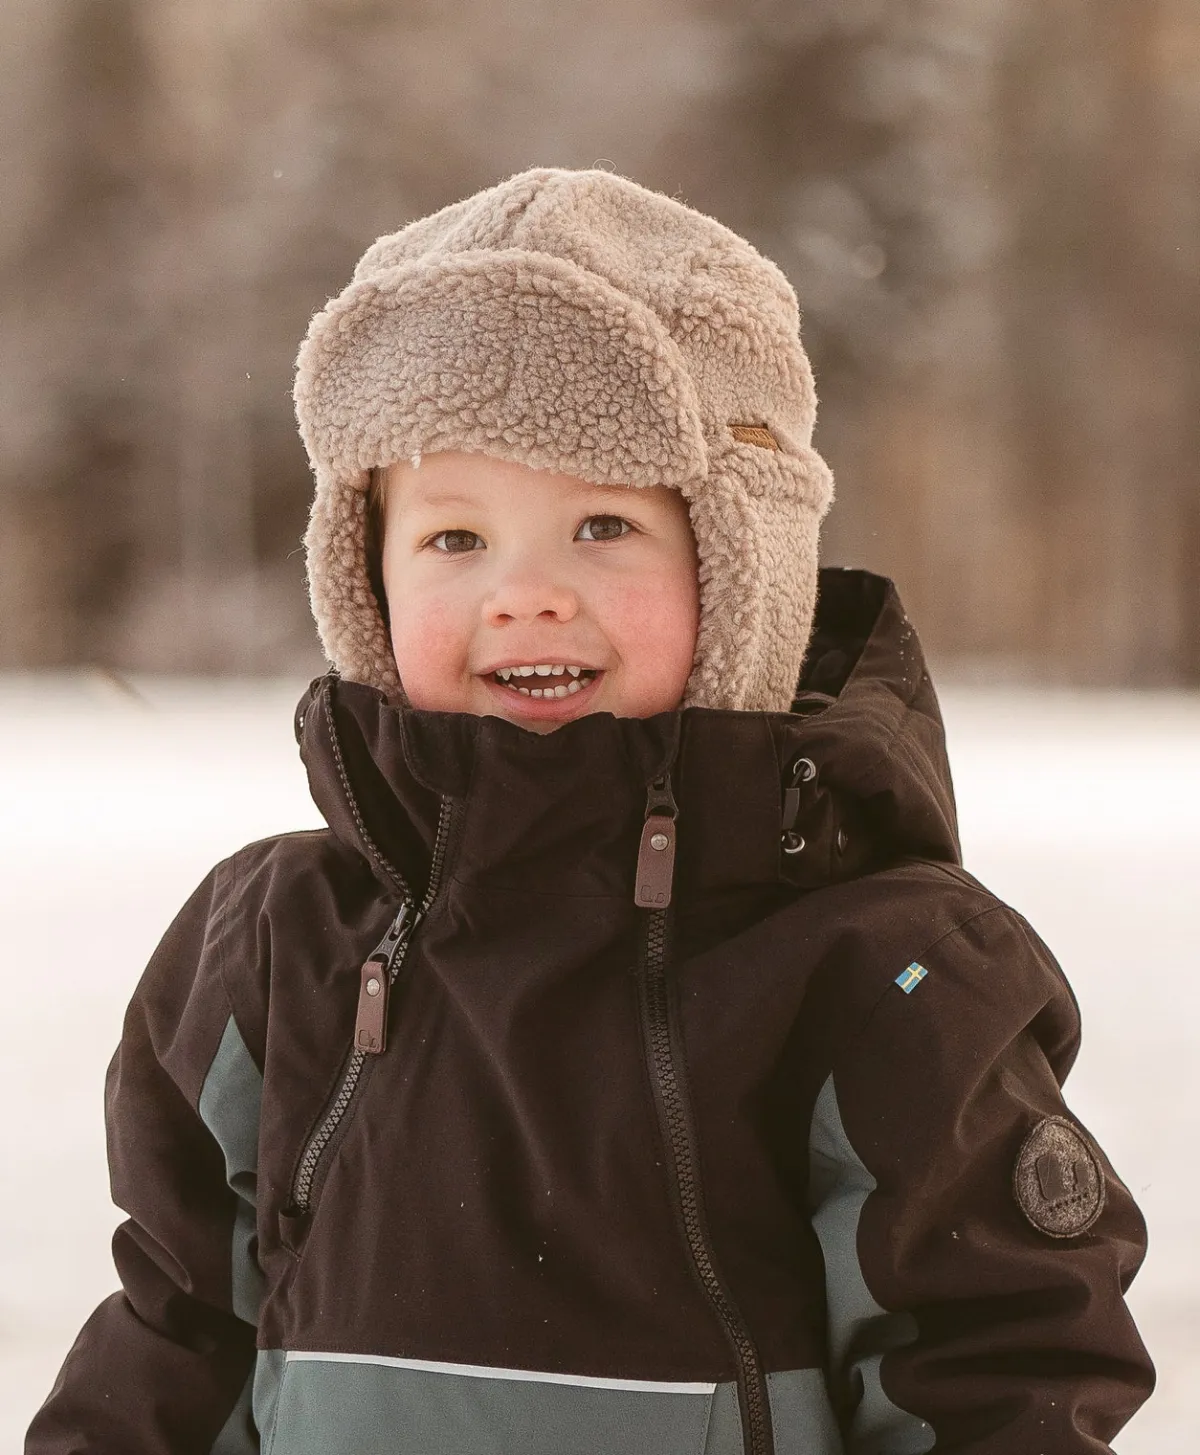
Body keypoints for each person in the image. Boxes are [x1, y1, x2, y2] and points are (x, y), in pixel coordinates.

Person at [27, 167, 1152, 1455]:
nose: (525, 594)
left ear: (740, 570)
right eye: (455, 540)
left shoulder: (879, 973)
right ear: (364, 583)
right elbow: (176, 1332)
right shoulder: (275, 944)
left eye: (603, 524)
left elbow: (996, 1377)